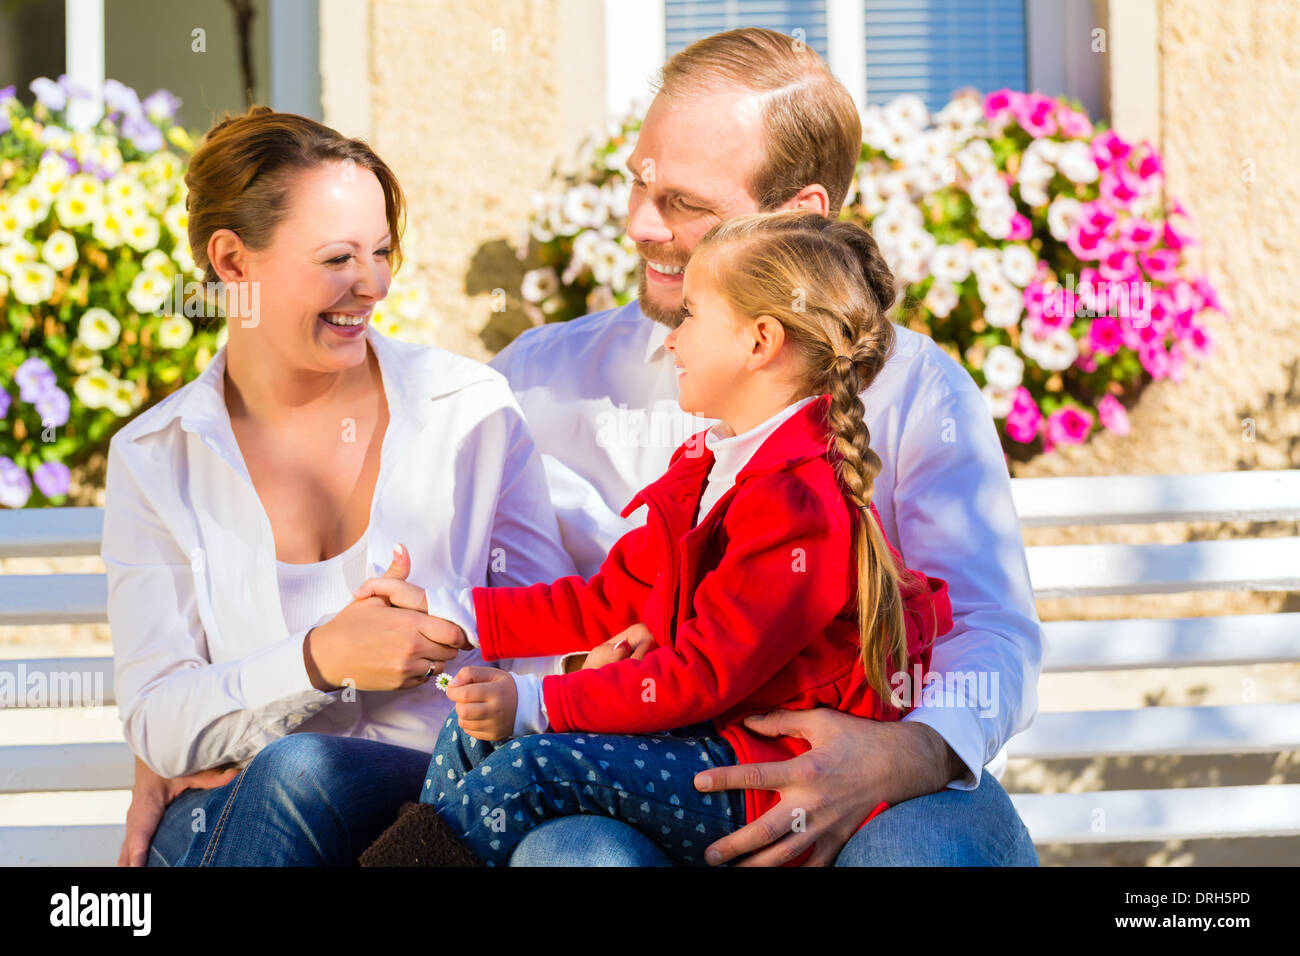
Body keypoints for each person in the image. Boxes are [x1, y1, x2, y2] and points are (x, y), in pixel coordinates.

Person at [488, 28, 1043, 866]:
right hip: (631, 772)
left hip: (872, 781)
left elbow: (990, 628)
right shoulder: (540, 377)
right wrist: (581, 668)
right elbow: (481, 580)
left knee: (920, 854)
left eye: (685, 203)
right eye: (638, 184)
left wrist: (904, 756)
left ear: (798, 221)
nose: (640, 224)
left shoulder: (917, 389)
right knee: (571, 858)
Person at [354, 210, 954, 867]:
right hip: (696, 737)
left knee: (535, 768)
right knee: (468, 736)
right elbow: (606, 602)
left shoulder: (798, 504)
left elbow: (701, 676)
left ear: (760, 342)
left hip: (757, 772)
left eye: (692, 315)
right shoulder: (709, 466)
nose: (671, 340)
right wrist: (456, 613)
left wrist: (535, 700)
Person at [105, 106, 581, 865]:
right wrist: (321, 659)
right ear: (233, 263)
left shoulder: (468, 413)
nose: (372, 285)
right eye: (337, 259)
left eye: (383, 252)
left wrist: (440, 627)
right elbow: (161, 722)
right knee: (286, 777)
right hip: (239, 820)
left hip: (440, 802)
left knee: (303, 769)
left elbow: (557, 642)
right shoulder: (157, 456)